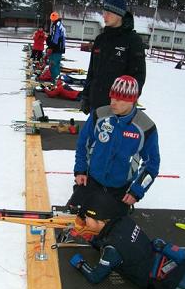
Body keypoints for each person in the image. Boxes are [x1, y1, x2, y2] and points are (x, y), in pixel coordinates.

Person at [69, 199, 185, 289]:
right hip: (170, 260)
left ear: (100, 220)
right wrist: (91, 238)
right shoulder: (124, 220)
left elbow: (95, 277)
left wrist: (79, 263)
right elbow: (122, 241)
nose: (85, 221)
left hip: (167, 279)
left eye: (87, 218)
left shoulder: (112, 249)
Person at [67, 75, 160, 219]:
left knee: (110, 231)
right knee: (74, 218)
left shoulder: (146, 127)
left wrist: (136, 191)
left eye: (119, 99)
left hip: (120, 188)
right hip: (92, 180)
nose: (113, 103)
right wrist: (80, 170)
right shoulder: (99, 115)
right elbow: (83, 143)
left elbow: (152, 164)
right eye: (112, 97)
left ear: (132, 100)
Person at [80, 0, 146, 115]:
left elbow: (138, 77)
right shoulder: (100, 40)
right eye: (104, 12)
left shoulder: (133, 41)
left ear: (119, 14)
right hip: (96, 104)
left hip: (117, 109)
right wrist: (86, 96)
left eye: (109, 13)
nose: (105, 16)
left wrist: (127, 105)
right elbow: (92, 72)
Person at [46, 11, 66, 82]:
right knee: (57, 65)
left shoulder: (56, 25)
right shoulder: (61, 25)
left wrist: (50, 47)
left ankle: (54, 82)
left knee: (53, 65)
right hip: (60, 48)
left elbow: (55, 37)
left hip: (56, 48)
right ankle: (57, 81)